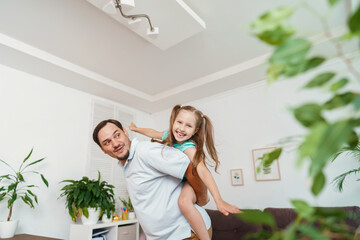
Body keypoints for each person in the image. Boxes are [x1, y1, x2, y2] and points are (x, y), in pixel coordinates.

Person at [129, 104, 241, 240]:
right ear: (173, 122)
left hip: (190, 183)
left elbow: (203, 171)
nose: (182, 128)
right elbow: (152, 132)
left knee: (184, 202)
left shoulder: (189, 147)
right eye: (179, 122)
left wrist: (219, 200)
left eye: (188, 126)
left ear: (195, 131)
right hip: (179, 184)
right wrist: (135, 129)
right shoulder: (168, 135)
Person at [92, 119, 212, 240]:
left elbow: (191, 167)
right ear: (103, 149)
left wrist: (202, 197)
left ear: (125, 132)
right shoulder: (128, 164)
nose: (115, 143)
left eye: (117, 135)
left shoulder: (145, 151)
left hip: (186, 234)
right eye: (107, 142)